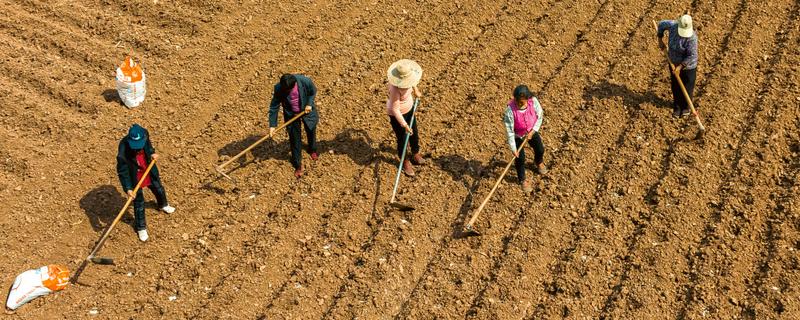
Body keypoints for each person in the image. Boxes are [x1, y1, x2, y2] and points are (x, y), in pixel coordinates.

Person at [116, 124, 175, 242]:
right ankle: (141, 227)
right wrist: (128, 188)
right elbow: (123, 171)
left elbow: (149, 146)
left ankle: (163, 205)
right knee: (139, 203)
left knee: (158, 187)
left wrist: (152, 153)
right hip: (135, 175)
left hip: (148, 169)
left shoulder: (145, 133)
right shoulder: (123, 149)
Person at [268, 74, 320, 178]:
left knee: (310, 129)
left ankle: (312, 149)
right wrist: (272, 126)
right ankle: (298, 164)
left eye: (289, 90)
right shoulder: (279, 88)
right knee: (294, 138)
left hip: (306, 109)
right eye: (285, 90)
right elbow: (274, 106)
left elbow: (312, 91)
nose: (287, 92)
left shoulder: (305, 81)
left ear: (295, 84)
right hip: (291, 114)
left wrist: (309, 103)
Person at [503, 85, 547, 193]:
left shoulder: (533, 102)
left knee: (540, 149)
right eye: (518, 101)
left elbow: (540, 116)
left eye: (522, 101)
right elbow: (509, 131)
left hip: (531, 131)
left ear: (528, 98)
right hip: (518, 135)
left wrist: (533, 131)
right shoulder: (510, 110)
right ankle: (522, 179)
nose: (520, 103)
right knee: (520, 158)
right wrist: (514, 148)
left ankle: (538, 161)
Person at [386, 59, 425, 176]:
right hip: (398, 115)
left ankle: (415, 152)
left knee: (414, 133)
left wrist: (416, 90)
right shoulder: (394, 89)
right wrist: (404, 125)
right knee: (403, 139)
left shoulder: (408, 79)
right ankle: (405, 161)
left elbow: (412, 82)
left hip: (410, 109)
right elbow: (395, 109)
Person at [657, 14, 698, 118]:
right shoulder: (673, 25)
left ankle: (686, 107)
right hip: (673, 62)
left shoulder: (692, 38)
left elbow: (692, 55)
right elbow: (661, 25)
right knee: (675, 86)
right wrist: (660, 39)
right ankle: (677, 107)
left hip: (688, 66)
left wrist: (680, 67)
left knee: (687, 86)